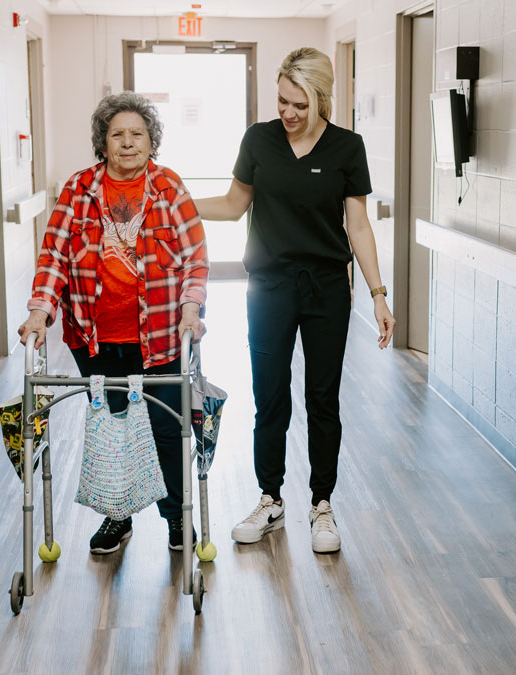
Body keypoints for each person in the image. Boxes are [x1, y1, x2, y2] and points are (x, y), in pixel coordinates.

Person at [194, 47, 395, 554]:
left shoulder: (348, 148)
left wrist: (378, 294)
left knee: (323, 400)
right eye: (281, 100)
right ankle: (270, 499)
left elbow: (358, 225)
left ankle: (322, 505)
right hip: (269, 287)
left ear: (320, 98)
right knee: (270, 398)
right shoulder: (259, 140)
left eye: (298, 104)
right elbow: (234, 203)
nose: (287, 112)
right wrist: (175, 201)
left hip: (328, 288)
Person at [18, 92, 208, 555]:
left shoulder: (168, 188)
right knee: (112, 431)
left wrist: (191, 308)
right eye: (117, 135)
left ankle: (177, 521)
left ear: (151, 141)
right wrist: (39, 311)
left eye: (137, 134)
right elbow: (55, 256)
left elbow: (195, 258)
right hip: (96, 337)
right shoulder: (79, 189)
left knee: (167, 432)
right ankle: (116, 518)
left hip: (161, 339)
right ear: (103, 143)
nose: (128, 143)